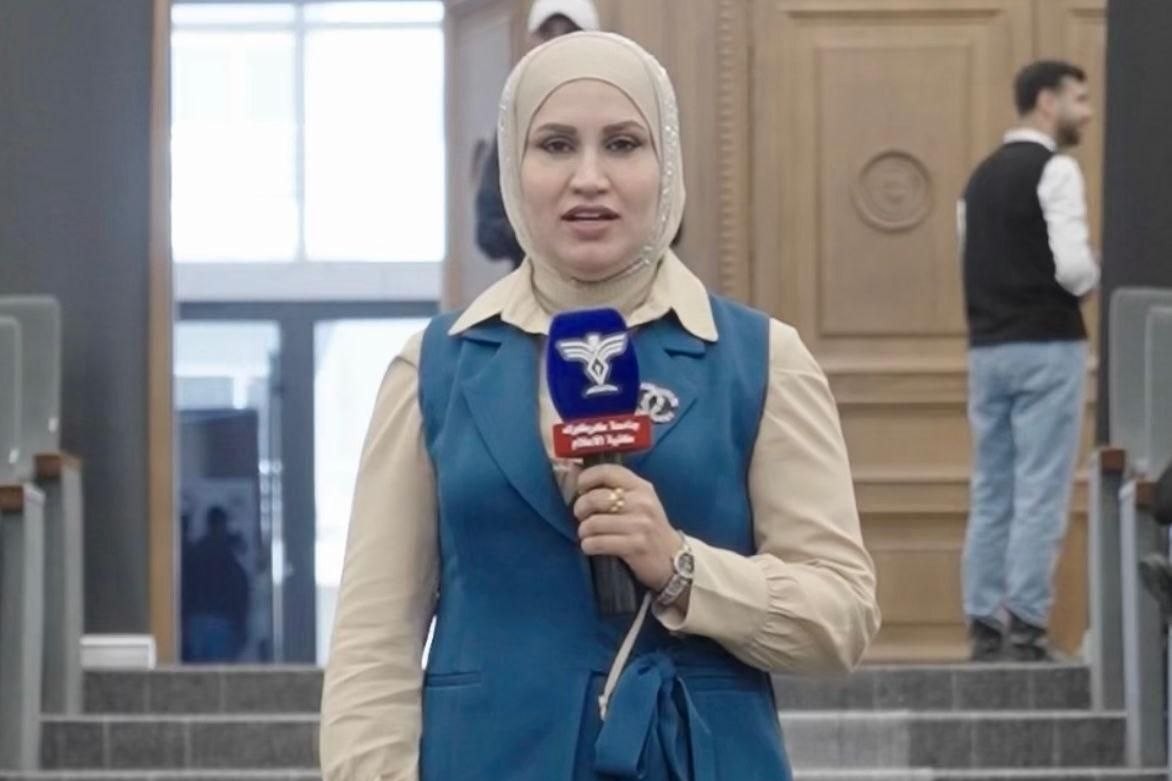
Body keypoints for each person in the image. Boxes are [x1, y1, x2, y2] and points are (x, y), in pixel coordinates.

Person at [321, 32, 879, 781]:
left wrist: (681, 566)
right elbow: (372, 642)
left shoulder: (761, 358)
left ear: (666, 165)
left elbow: (840, 617)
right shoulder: (435, 367)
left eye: (622, 144)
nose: (589, 178)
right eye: (555, 145)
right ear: (513, 167)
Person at [958, 60, 1099, 662]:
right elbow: (1072, 268)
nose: (1086, 112)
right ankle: (1026, 622)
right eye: (1078, 99)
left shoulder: (979, 178)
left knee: (992, 486)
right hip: (1048, 343)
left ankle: (983, 620)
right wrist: (1093, 274)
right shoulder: (1056, 169)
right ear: (1047, 101)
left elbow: (969, 257)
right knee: (1041, 485)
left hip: (988, 348)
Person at [474, 0, 601, 268]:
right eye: (547, 33)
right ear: (531, 41)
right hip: (534, 284)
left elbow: (668, 221)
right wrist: (544, 229)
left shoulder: (627, 113)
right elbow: (487, 231)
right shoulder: (515, 121)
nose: (557, 44)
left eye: (569, 32)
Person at [182, 505, 251, 662]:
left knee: (196, 671)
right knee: (219, 672)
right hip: (222, 622)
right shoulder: (228, 554)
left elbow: (185, 590)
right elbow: (240, 590)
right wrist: (242, 625)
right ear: (223, 524)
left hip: (196, 622)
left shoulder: (195, 552)